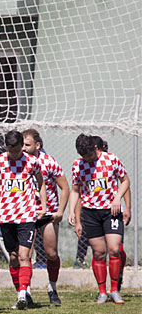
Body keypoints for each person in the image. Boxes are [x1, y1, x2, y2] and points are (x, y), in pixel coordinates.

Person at [68, 134, 130, 303]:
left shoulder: (111, 160)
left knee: (115, 249)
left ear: (95, 149)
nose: (87, 159)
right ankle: (102, 292)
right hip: (90, 213)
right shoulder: (78, 165)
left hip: (111, 211)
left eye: (89, 155)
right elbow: (75, 190)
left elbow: (125, 181)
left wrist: (117, 198)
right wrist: (72, 211)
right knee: (99, 252)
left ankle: (115, 290)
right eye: (84, 156)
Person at [0, 130, 46, 310]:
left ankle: (23, 294)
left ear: (22, 145)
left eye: (16, 148)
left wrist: (42, 205)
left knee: (24, 256)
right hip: (7, 216)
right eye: (10, 148)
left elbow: (41, 182)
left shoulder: (32, 161)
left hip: (26, 215)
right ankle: (21, 292)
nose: (13, 152)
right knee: (13, 258)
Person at [22, 129, 70, 305]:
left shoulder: (48, 162)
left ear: (37, 145)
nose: (24, 148)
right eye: (22, 145)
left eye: (27, 145)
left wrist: (60, 211)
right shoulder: (20, 162)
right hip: (27, 212)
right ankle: (25, 291)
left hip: (48, 213)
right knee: (24, 255)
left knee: (51, 253)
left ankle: (52, 288)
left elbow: (65, 187)